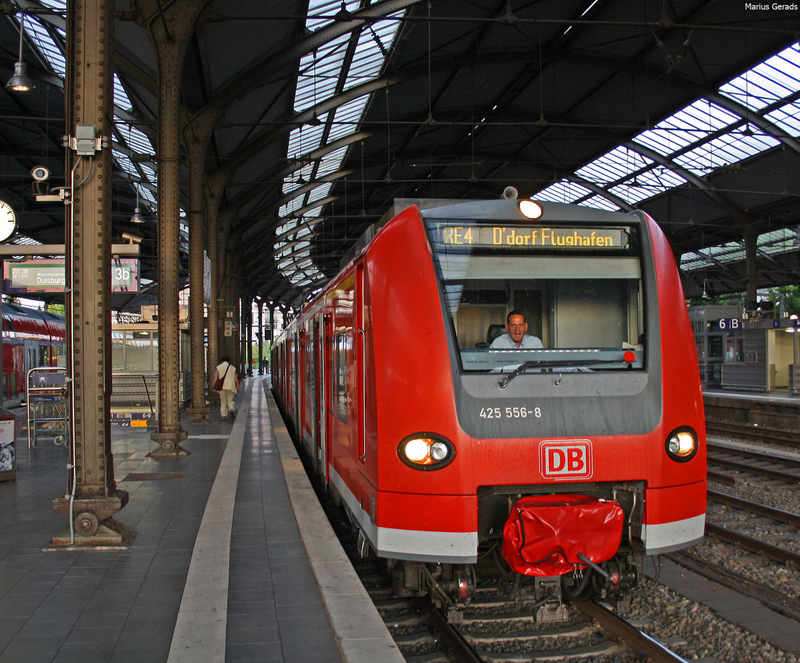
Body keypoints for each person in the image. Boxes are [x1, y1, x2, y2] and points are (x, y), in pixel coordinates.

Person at [213, 355, 240, 420]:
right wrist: (238, 386)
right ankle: (231, 408)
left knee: (223, 400)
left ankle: (224, 415)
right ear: (228, 360)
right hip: (230, 386)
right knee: (230, 399)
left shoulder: (219, 367)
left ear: (222, 360)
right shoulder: (232, 368)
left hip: (222, 387)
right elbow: (235, 377)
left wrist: (214, 386)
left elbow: (216, 376)